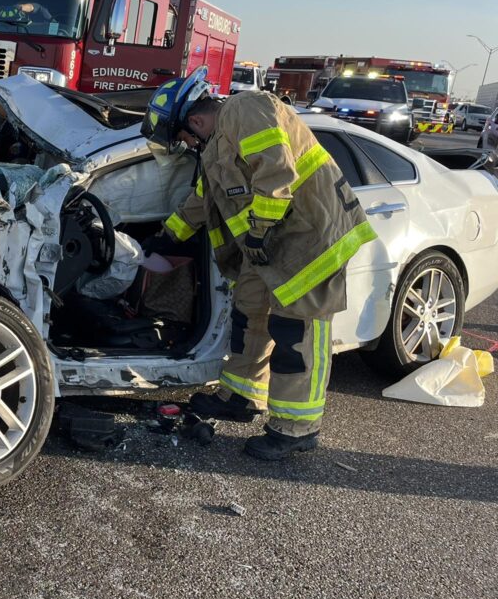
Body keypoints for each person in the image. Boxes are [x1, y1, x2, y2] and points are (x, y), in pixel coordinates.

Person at [141, 67, 377, 459]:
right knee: (249, 314)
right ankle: (243, 396)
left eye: (184, 136)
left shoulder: (247, 109)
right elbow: (203, 201)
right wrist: (167, 237)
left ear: (196, 121)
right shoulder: (215, 145)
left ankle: (297, 427)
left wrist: (259, 229)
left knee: (297, 330)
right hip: (269, 243)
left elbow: (276, 171)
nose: (186, 144)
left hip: (310, 235)